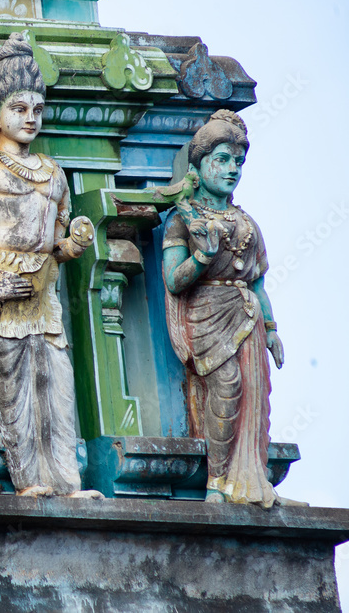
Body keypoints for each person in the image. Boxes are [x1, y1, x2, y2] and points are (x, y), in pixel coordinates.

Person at [0, 32, 99, 499]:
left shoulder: (53, 171)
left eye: (37, 109)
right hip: (3, 281)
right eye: (19, 108)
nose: (31, 118)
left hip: (45, 286)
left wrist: (75, 242)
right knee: (15, 381)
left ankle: (66, 478)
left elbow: (57, 243)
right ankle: (29, 479)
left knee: (56, 381)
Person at [161, 109, 301, 507]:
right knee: (227, 387)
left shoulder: (247, 223)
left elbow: (256, 281)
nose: (232, 169)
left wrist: (271, 328)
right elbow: (174, 280)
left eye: (237, 161)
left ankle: (253, 483)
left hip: (247, 314)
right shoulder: (182, 221)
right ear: (199, 164)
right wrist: (203, 258)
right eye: (221, 160)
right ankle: (216, 482)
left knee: (255, 393)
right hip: (206, 313)